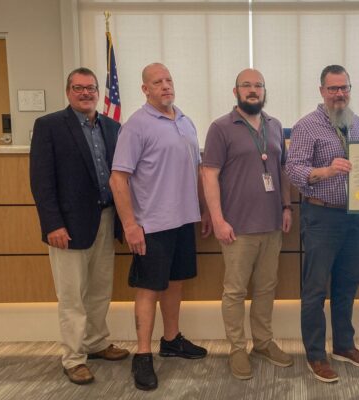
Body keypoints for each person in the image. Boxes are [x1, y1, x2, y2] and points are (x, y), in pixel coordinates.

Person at [109, 63, 211, 391]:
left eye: (169, 79)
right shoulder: (136, 126)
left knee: (175, 283)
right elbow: (118, 178)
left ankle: (171, 341)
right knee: (149, 288)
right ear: (145, 89)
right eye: (157, 82)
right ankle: (142, 355)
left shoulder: (185, 120)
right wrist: (130, 225)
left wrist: (204, 209)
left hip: (183, 220)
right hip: (151, 224)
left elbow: (196, 171)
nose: (165, 86)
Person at [30, 67, 129, 385]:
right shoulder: (49, 126)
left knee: (100, 290)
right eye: (78, 88)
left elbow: (121, 177)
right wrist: (52, 224)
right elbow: (41, 182)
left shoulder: (112, 126)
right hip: (68, 227)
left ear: (98, 91)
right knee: (72, 295)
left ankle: (96, 343)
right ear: (68, 91)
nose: (85, 93)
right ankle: (73, 357)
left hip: (106, 219)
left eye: (90, 88)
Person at [285, 65, 359, 383]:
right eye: (333, 88)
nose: (339, 94)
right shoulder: (307, 126)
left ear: (350, 89)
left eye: (344, 88)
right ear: (321, 90)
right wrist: (325, 171)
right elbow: (293, 169)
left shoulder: (358, 123)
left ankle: (344, 346)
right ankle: (315, 355)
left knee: (347, 285)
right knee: (314, 290)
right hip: (321, 215)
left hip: (353, 216)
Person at [202, 68, 294, 380]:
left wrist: (286, 206)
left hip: (271, 225)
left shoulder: (275, 125)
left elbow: (280, 171)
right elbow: (209, 175)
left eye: (258, 86)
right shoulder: (220, 128)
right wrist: (217, 219)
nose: (253, 90)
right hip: (236, 228)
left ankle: (264, 342)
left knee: (267, 288)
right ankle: (237, 348)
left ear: (264, 91)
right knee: (235, 291)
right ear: (235, 91)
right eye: (246, 85)